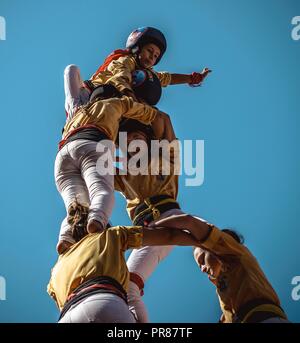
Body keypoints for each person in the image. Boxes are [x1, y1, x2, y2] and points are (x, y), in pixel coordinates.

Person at [55, 70, 167, 254]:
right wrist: (148, 112)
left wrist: (87, 86)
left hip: (63, 156)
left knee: (76, 204)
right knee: (101, 191)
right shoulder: (118, 104)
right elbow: (147, 113)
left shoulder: (75, 110)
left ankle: (66, 237)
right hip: (93, 146)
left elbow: (70, 70)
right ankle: (97, 221)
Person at [47, 204, 200, 323]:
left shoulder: (55, 271)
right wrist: (204, 240)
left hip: (67, 316)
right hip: (104, 304)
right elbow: (169, 235)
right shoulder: (111, 235)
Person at [63, 26, 211, 139]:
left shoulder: (147, 74)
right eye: (149, 51)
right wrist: (130, 96)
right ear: (137, 48)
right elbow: (120, 77)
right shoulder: (126, 60)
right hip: (90, 96)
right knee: (72, 69)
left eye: (155, 56)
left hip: (114, 107)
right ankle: (74, 107)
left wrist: (191, 78)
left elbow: (168, 78)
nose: (151, 57)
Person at [150, 213, 290, 323]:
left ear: (214, 248)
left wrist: (151, 227)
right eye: (199, 266)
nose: (203, 269)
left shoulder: (236, 254)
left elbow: (188, 221)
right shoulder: (225, 292)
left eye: (202, 260)